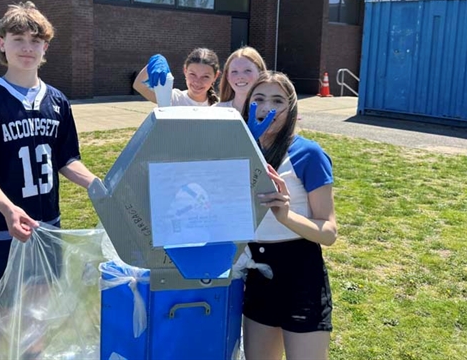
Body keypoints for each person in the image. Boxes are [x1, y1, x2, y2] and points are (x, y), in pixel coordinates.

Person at [0, 1, 98, 360]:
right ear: (2, 43)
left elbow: (67, 159)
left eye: (36, 40)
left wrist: (97, 183)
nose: (27, 48)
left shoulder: (58, 102)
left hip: (47, 224)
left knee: (40, 308)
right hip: (3, 225)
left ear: (46, 47)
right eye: (18, 39)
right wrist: (6, 207)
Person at [241, 71, 338, 360]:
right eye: (259, 99)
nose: (267, 107)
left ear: (291, 107)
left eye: (277, 100)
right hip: (257, 273)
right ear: (248, 106)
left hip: (301, 273)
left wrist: (286, 216)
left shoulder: (308, 153)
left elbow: (329, 231)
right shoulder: (239, 151)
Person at [132, 48, 220, 106]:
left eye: (205, 76)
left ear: (215, 76)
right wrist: (153, 64)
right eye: (193, 74)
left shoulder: (221, 106)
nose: (197, 81)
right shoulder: (172, 98)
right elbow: (138, 85)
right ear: (185, 71)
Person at [216, 46, 267, 111]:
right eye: (234, 71)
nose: (240, 76)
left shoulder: (270, 111)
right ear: (227, 77)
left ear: (260, 73)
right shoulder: (215, 111)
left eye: (247, 70)